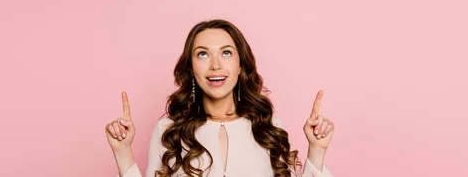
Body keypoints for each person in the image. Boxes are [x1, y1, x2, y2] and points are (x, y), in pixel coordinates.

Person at [105, 20, 335, 177]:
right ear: (191, 68)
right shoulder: (169, 130)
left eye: (226, 53)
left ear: (240, 65)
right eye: (203, 54)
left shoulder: (268, 127)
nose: (215, 65)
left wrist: (316, 149)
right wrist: (123, 152)